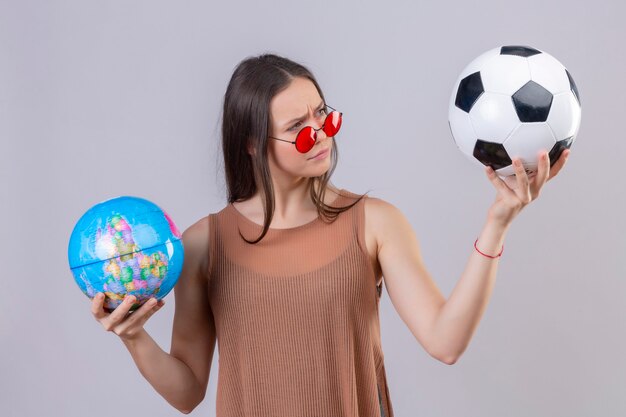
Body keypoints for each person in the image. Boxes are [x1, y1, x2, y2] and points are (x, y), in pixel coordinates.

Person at [90, 53, 569, 416]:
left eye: (323, 115)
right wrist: (134, 338)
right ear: (253, 143)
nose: (320, 134)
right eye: (298, 127)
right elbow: (187, 392)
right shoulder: (201, 245)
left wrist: (497, 222)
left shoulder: (376, 222)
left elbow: (445, 343)